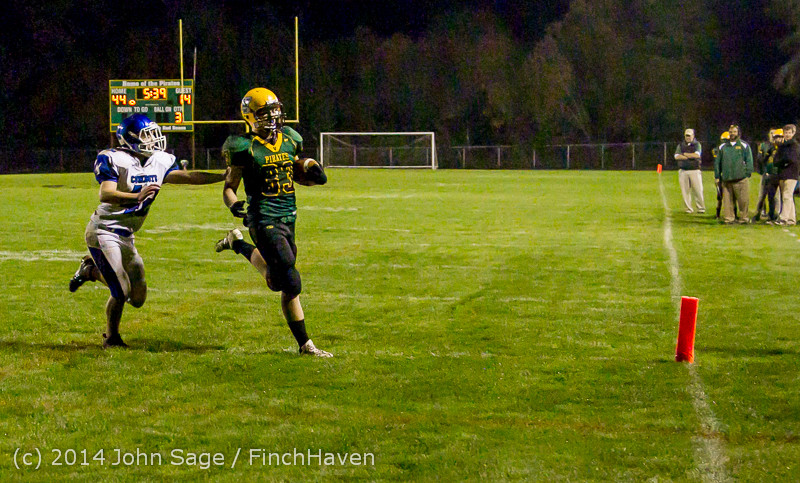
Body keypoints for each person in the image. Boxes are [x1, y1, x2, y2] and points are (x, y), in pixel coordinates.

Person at [68, 114, 225, 348]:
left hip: (127, 235)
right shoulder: (113, 158)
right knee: (121, 290)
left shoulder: (160, 160)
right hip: (103, 231)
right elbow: (106, 193)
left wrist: (222, 176)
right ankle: (112, 338)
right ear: (130, 138)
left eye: (153, 134)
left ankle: (89, 271)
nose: (153, 140)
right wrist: (136, 196)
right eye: (147, 136)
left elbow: (188, 176)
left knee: (137, 298)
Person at [214, 87, 332, 357]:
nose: (273, 116)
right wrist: (233, 204)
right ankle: (306, 343)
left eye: (275, 110)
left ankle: (237, 243)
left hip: (289, 214)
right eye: (265, 112)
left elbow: (294, 175)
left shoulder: (290, 138)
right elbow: (229, 187)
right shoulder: (243, 147)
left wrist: (313, 172)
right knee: (291, 280)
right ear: (250, 116)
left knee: (278, 281)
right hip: (263, 217)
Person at [714, 124, 753, 224]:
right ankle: (729, 219)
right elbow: (717, 162)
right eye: (731, 132)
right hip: (727, 179)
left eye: (734, 132)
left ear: (738, 133)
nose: (732, 134)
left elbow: (749, 160)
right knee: (728, 202)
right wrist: (717, 176)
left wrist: (747, 173)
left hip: (740, 179)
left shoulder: (744, 145)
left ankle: (744, 219)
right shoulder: (722, 147)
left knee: (743, 201)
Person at [774, 124, 800, 225]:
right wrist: (783, 162)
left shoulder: (795, 146)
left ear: (793, 133)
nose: (787, 134)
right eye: (786, 133)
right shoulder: (782, 146)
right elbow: (776, 160)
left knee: (786, 196)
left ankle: (783, 218)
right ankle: (791, 219)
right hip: (783, 173)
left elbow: (792, 159)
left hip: (792, 174)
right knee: (788, 197)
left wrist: (782, 162)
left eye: (789, 133)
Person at [753, 129, 781, 222]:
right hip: (766, 173)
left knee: (776, 196)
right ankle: (758, 213)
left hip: (776, 174)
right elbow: (760, 160)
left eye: (775, 134)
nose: (773, 135)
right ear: (769, 135)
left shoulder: (780, 146)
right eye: (771, 133)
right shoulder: (764, 145)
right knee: (762, 195)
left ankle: (776, 214)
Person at [674, 128, 705, 213]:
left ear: (693, 136)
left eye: (689, 136)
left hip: (695, 170)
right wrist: (690, 156)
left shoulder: (697, 144)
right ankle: (688, 209)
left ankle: (701, 208)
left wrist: (684, 154)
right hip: (683, 171)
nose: (688, 137)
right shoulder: (681, 145)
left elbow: (697, 155)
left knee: (698, 190)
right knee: (685, 191)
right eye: (686, 136)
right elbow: (676, 156)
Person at [712, 131, 730, 219]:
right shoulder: (719, 149)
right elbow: (717, 164)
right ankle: (718, 213)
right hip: (724, 175)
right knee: (720, 195)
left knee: (726, 195)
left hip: (727, 174)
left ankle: (725, 213)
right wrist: (717, 176)